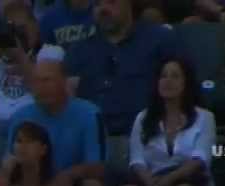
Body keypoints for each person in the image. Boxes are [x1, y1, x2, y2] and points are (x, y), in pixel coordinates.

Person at [6, 59, 105, 186]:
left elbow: (97, 167)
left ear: (64, 82)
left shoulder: (89, 114)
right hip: (32, 179)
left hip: (73, 182)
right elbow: (11, 161)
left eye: (47, 80)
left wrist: (66, 176)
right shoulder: (20, 117)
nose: (41, 88)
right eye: (36, 82)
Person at [64, 0, 178, 136]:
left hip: (150, 139)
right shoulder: (79, 51)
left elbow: (184, 92)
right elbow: (69, 106)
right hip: (96, 142)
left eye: (111, 2)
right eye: (97, 4)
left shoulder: (161, 41)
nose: (103, 9)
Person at [0, 0, 65, 140]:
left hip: (37, 126)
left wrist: (20, 57)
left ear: (35, 26)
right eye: (14, 30)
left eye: (22, 28)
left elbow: (46, 91)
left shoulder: (50, 53)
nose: (19, 35)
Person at [118, 58, 214, 186]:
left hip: (188, 178)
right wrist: (149, 181)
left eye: (175, 76)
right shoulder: (143, 118)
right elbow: (136, 160)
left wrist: (169, 179)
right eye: (163, 76)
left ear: (186, 83)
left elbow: (200, 159)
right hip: (152, 178)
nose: (167, 81)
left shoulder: (205, 117)